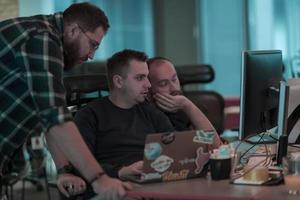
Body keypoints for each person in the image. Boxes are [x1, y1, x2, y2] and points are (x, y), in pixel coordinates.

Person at [0, 3, 131, 200]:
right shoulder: (42, 38)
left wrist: (64, 170)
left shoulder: (43, 39)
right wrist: (99, 179)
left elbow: (46, 113)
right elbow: (55, 117)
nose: (91, 55)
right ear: (73, 30)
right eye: (93, 44)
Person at [57, 49, 175, 199]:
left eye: (147, 77)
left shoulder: (151, 113)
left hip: (151, 186)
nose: (148, 85)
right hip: (111, 188)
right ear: (118, 81)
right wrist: (121, 171)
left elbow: (174, 149)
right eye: (140, 78)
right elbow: (80, 166)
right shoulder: (89, 116)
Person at [147, 57, 222, 148]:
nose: (174, 88)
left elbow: (215, 146)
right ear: (149, 90)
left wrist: (188, 106)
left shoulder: (188, 109)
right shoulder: (147, 119)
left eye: (174, 79)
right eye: (163, 84)